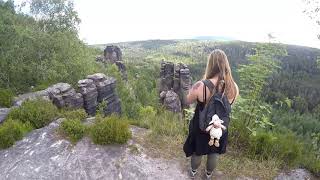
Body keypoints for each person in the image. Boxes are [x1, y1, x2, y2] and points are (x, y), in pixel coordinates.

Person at [183, 49, 239, 179]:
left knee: (198, 151)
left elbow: (188, 100)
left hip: (201, 126)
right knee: (214, 152)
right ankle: (208, 174)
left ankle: (193, 172)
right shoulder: (234, 87)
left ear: (211, 65)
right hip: (220, 128)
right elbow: (229, 106)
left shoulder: (201, 85)